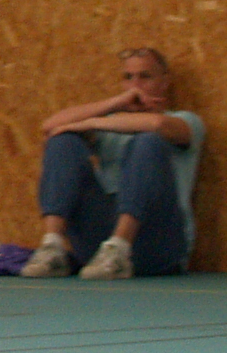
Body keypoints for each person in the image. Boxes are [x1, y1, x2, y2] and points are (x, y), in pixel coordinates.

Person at [24, 48, 203, 279]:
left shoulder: (185, 121)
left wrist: (91, 123)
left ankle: (120, 246)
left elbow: (157, 125)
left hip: (158, 245)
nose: (136, 85)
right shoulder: (110, 123)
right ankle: (52, 246)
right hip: (99, 244)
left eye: (145, 77)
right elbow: (50, 126)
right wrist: (116, 104)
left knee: (148, 141)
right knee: (63, 140)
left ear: (164, 82)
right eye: (128, 77)